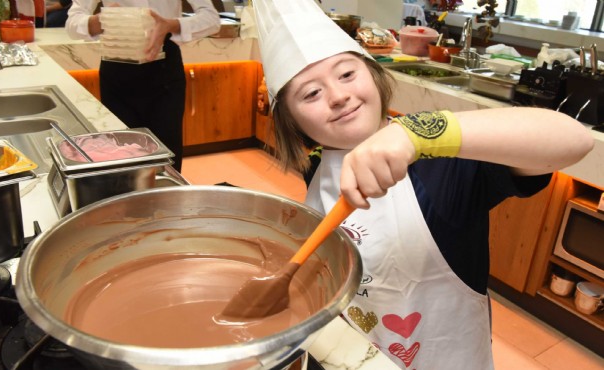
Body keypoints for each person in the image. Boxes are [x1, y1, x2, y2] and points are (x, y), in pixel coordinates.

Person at [252, 0, 594, 369]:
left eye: (347, 74)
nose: (337, 96)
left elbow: (574, 140)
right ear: (292, 123)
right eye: (311, 94)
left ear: (373, 73)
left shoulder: (442, 166)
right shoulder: (320, 165)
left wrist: (416, 135)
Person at [65, 1, 220, 173]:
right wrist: (100, 21)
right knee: (122, 159)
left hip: (165, 72)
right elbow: (72, 22)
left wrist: (172, 25)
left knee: (167, 159)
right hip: (117, 71)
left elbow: (212, 19)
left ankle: (168, 196)